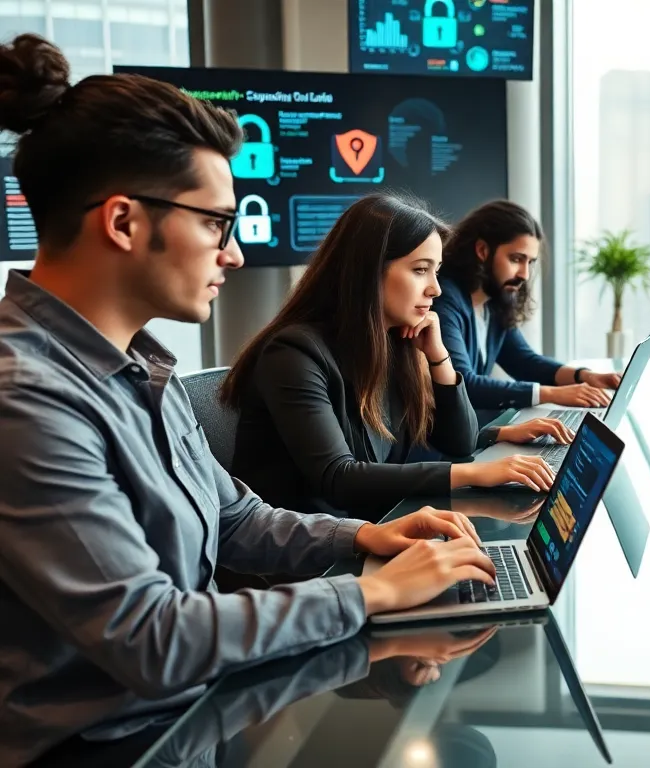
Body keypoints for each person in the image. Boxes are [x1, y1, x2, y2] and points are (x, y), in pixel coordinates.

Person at [0, 35, 497, 764]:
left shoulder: (142, 366)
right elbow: (153, 640)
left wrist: (364, 540)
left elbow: (234, 516)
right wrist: (373, 594)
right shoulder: (27, 403)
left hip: (196, 715)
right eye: (215, 223)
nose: (233, 253)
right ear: (123, 222)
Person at [221, 194, 572, 520]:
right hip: (305, 559)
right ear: (369, 271)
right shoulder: (294, 354)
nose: (435, 288)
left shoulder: (392, 343)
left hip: (365, 531)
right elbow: (338, 476)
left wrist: (439, 359)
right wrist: (473, 472)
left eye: (436, 271)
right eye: (421, 270)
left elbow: (457, 441)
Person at [434, 200, 621, 412]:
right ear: (482, 250)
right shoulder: (444, 299)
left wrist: (584, 376)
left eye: (530, 262)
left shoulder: (495, 301)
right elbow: (464, 384)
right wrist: (552, 394)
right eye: (516, 259)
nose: (524, 274)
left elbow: (524, 361)